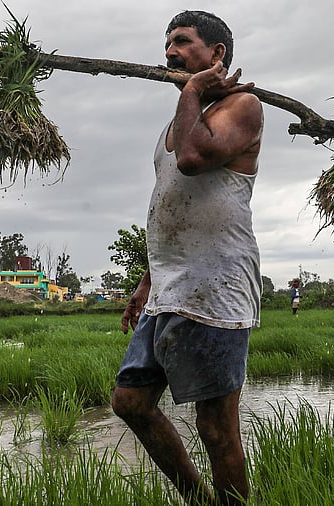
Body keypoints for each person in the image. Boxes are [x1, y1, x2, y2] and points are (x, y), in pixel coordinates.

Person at [110, 11, 262, 505]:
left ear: (216, 55)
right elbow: (166, 207)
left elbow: (194, 162)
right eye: (167, 43)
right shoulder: (176, 122)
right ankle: (198, 499)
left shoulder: (244, 106)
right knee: (131, 403)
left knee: (216, 428)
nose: (170, 52)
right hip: (168, 290)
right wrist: (146, 283)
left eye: (183, 42)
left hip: (216, 291)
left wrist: (192, 91)